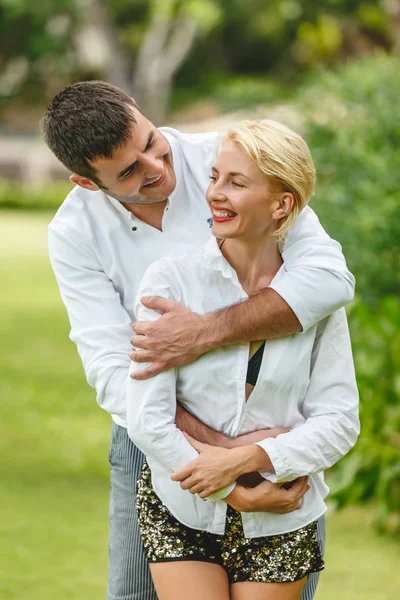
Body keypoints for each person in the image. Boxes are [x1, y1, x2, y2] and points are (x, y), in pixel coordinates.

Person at [43, 81, 355, 600]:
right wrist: (227, 456)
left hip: (273, 433)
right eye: (129, 172)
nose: (156, 168)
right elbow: (111, 370)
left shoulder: (227, 159)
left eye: (150, 142)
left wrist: (201, 334)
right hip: (156, 441)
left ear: (143, 113)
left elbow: (328, 280)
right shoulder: (74, 232)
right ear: (87, 181)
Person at [127, 120, 360, 600]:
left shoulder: (312, 301)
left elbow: (340, 421)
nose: (216, 194)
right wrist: (222, 483)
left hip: (281, 509)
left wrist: (253, 457)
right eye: (214, 177)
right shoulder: (169, 282)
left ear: (282, 203)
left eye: (237, 182)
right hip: (183, 504)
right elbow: (148, 419)